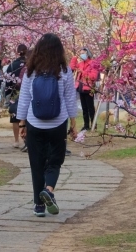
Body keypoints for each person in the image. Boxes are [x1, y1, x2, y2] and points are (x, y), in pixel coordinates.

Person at [17, 33, 78, 217]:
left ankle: (38, 205)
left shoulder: (31, 70)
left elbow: (24, 99)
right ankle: (49, 189)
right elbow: (69, 99)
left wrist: (21, 123)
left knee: (37, 164)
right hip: (58, 123)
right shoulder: (64, 71)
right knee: (55, 161)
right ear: (59, 50)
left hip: (34, 123)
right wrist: (73, 123)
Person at [6, 44, 28, 150]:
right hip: (26, 93)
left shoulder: (12, 65)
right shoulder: (30, 64)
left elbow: (8, 81)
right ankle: (26, 140)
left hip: (15, 93)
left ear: (17, 52)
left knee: (14, 117)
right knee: (26, 117)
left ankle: (16, 140)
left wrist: (8, 93)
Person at [72, 47, 100, 132]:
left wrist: (83, 72)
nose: (81, 55)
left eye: (83, 53)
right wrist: (74, 57)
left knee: (90, 107)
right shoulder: (81, 63)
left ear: (87, 54)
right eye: (80, 53)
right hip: (81, 87)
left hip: (89, 88)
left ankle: (93, 124)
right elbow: (72, 67)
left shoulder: (93, 63)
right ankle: (86, 125)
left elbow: (93, 76)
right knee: (84, 108)